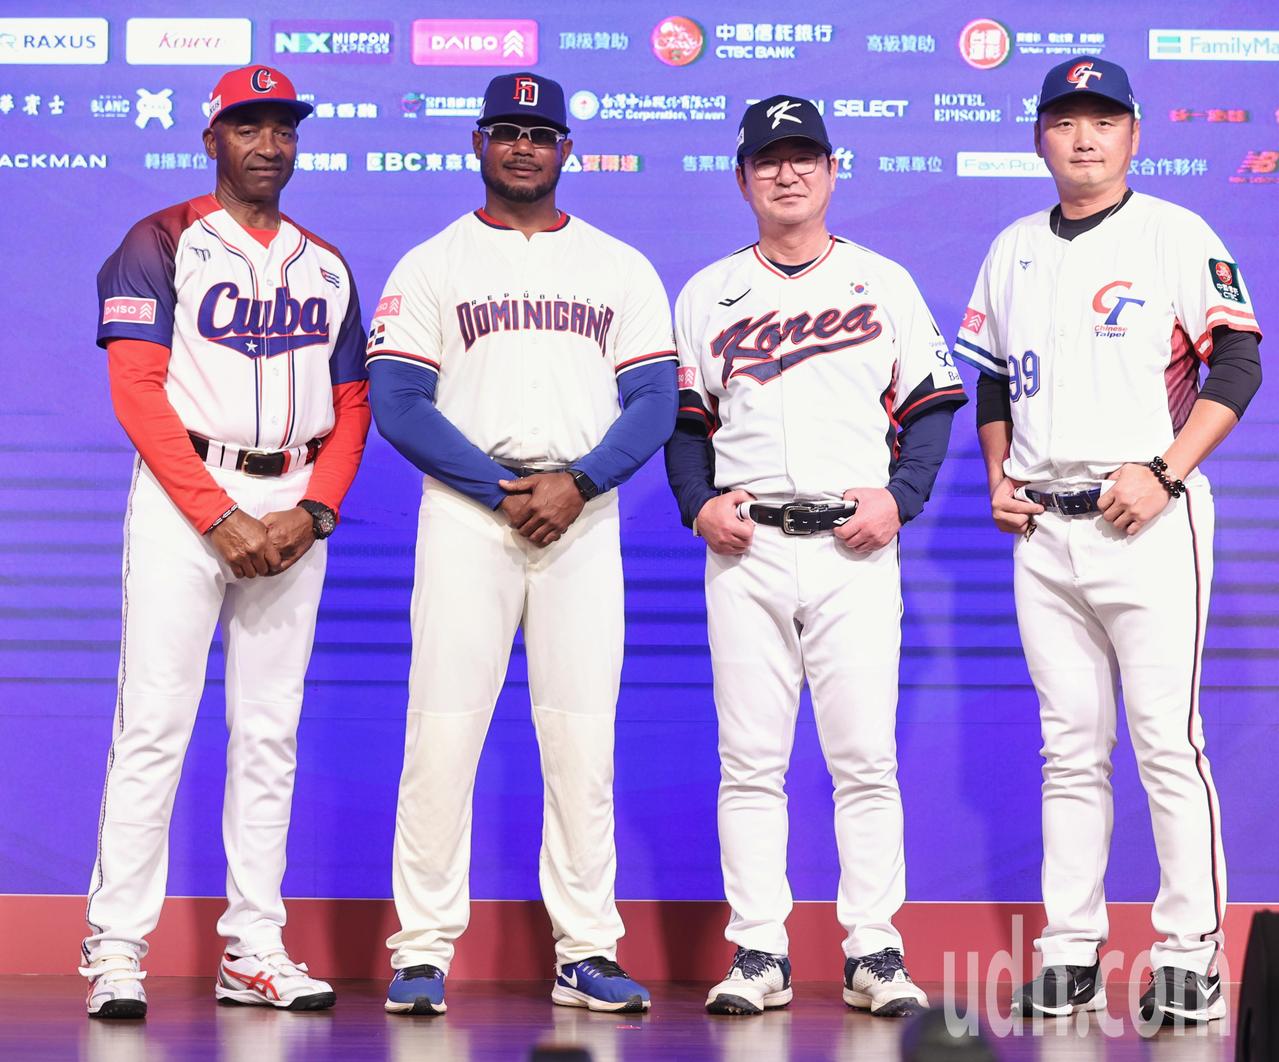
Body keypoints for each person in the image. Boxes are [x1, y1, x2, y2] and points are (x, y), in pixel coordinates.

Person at [953, 57, 1262, 1025]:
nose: (1082, 138)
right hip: (1046, 528)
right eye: (1064, 121)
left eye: (1101, 120)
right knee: (1069, 751)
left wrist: (1164, 473)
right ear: (1038, 137)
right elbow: (991, 379)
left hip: (1148, 520)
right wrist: (998, 475)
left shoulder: (1173, 232)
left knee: (1166, 742)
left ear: (1134, 133)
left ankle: (1190, 955)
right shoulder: (1011, 247)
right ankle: (1070, 951)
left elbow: (1238, 362)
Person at [367, 72, 677, 1017]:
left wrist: (578, 482)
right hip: (471, 514)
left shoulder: (619, 266)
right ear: (477, 142)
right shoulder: (433, 263)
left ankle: (585, 951)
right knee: (442, 728)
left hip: (582, 514)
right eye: (506, 131)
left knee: (581, 737)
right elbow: (397, 402)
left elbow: (655, 401)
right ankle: (422, 950)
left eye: (540, 133)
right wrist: (497, 491)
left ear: (565, 149)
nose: (523, 147)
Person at [665, 96, 967, 1018]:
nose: (787, 173)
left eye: (804, 158)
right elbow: (686, 424)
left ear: (833, 171)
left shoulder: (882, 281)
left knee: (864, 758)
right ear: (741, 179)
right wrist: (697, 505)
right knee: (749, 761)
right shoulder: (707, 291)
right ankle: (759, 949)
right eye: (768, 160)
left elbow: (929, 407)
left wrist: (899, 499)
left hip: (851, 547)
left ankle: (874, 948)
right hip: (748, 548)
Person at [81, 65, 370, 1018]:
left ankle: (254, 948)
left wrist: (315, 511)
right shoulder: (159, 240)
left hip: (290, 499)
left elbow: (353, 402)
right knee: (154, 725)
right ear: (212, 139)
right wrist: (216, 514)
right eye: (248, 127)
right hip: (186, 497)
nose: (268, 144)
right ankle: (116, 948)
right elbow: (137, 391)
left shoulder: (326, 262)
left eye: (282, 128)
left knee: (270, 733)